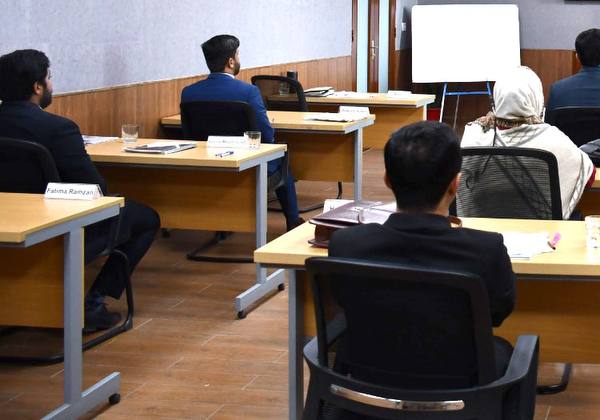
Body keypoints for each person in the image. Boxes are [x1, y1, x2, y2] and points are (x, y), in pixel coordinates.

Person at [329, 121, 517, 365]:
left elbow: (343, 300)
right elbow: (497, 314)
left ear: (387, 180)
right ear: (455, 184)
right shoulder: (486, 250)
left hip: (369, 373)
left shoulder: (345, 244)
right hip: (459, 377)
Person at [0, 49, 160, 332]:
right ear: (37, 87)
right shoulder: (58, 128)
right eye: (49, 78)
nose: (51, 84)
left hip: (8, 224)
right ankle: (93, 303)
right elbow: (95, 188)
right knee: (146, 218)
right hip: (56, 228)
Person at [180, 34, 300, 228]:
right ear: (230, 61)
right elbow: (266, 136)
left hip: (206, 167)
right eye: (238, 55)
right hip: (248, 167)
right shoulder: (248, 92)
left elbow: (188, 136)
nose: (239, 59)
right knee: (282, 157)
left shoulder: (189, 93)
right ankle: (293, 221)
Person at [461, 65, 595, 218]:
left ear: (497, 98)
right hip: (540, 232)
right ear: (536, 99)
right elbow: (588, 176)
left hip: (482, 231)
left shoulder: (474, 134)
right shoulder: (553, 139)